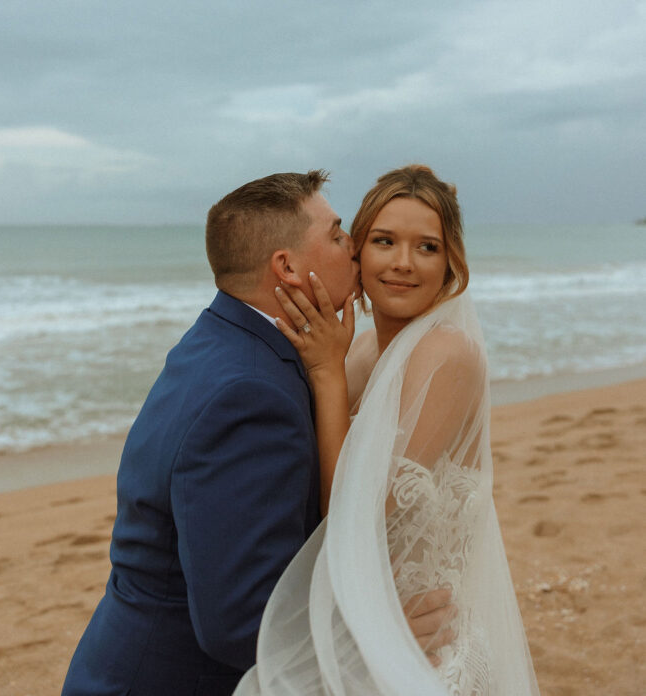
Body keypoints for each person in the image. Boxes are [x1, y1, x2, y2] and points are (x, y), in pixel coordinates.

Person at [62, 170, 453, 696]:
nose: (356, 250)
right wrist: (386, 633)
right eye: (338, 236)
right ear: (287, 267)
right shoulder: (249, 394)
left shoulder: (219, 342)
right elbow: (241, 624)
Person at [235, 165, 540, 696]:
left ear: (450, 265)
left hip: (425, 642)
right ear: (356, 254)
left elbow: (356, 511)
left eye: (427, 247)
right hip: (370, 618)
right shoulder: (359, 350)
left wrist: (326, 375)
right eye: (384, 241)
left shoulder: (447, 355)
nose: (402, 263)